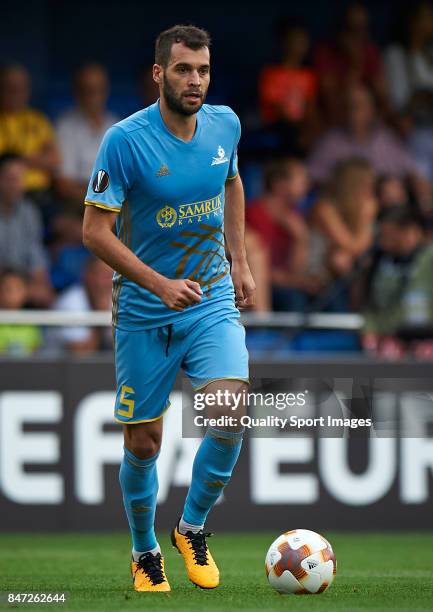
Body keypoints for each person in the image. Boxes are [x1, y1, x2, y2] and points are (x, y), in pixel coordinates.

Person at [82, 25, 255, 593]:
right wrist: (158, 284)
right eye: (183, 69)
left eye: (203, 70)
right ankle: (143, 549)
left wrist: (241, 260)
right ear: (159, 74)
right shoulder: (125, 140)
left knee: (229, 412)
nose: (195, 81)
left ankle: (192, 527)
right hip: (145, 309)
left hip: (210, 297)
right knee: (144, 443)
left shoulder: (225, 124)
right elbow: (94, 232)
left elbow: (231, 182)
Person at [307, 84, 429, 206]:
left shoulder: (384, 137)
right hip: (350, 208)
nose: (353, 111)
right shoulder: (330, 142)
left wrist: (422, 193)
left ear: (371, 109)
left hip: (390, 208)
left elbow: (410, 170)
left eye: (359, 105)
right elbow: (312, 179)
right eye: (349, 106)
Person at [246, 158, 321, 310]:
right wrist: (296, 282)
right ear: (279, 184)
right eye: (301, 179)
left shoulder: (295, 216)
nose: (307, 185)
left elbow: (296, 270)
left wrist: (301, 238)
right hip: (257, 286)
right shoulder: (255, 213)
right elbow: (257, 267)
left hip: (284, 282)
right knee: (294, 299)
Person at [361, 206, 433, 359]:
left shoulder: (429, 258)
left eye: (389, 234)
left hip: (427, 339)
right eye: (381, 235)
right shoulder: (380, 261)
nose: (382, 241)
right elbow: (371, 304)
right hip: (390, 339)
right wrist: (370, 330)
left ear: (410, 231)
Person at [56, 64, 119, 205]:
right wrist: (102, 199)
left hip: (114, 201)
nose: (94, 96)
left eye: (99, 89)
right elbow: (64, 186)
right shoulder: (66, 126)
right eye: (87, 90)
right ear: (76, 92)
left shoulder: (115, 124)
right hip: (79, 203)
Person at [314, 2, 387, 122]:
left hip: (367, 120)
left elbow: (383, 99)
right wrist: (355, 63)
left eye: (363, 29)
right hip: (336, 121)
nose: (359, 35)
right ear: (340, 31)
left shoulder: (370, 51)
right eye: (353, 30)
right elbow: (333, 105)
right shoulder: (325, 52)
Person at [0, 153, 53, 306]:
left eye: (20, 179)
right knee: (10, 292)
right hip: (6, 283)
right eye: (10, 178)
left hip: (22, 284)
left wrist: (40, 284)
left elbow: (36, 254)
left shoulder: (30, 212)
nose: (15, 184)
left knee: (43, 294)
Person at [0, 64, 60, 196]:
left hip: (38, 193)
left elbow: (54, 160)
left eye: (21, 88)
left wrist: (17, 159)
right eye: (10, 88)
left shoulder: (38, 120)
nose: (16, 93)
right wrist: (35, 160)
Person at [48, 257, 113, 353]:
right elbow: (80, 352)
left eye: (109, 276)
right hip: (54, 364)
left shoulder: (116, 298)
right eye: (99, 275)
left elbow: (125, 349)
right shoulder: (70, 302)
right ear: (86, 275)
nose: (103, 283)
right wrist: (100, 314)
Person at [0, 269, 42, 355]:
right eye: (8, 289)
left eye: (17, 288)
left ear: (25, 292)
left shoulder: (31, 323)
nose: (12, 294)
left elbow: (35, 352)